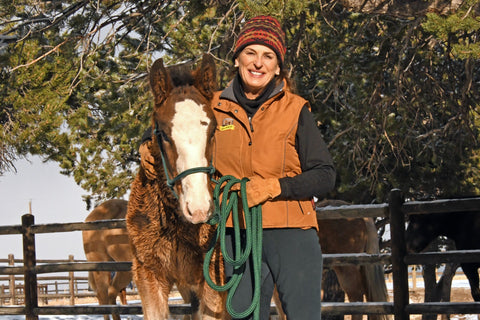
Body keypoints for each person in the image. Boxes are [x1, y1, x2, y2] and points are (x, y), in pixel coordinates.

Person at [139, 15, 335, 320]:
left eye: (268, 56)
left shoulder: (295, 109)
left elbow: (324, 176)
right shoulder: (210, 105)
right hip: (238, 234)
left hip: (293, 233)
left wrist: (274, 187)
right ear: (237, 58)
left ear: (278, 66)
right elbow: (171, 122)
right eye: (250, 53)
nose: (258, 63)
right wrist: (142, 143)